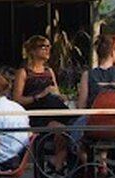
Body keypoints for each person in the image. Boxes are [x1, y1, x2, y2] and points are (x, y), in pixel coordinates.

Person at [13, 34, 71, 169]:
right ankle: (57, 163)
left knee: (69, 129)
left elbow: (56, 92)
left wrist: (61, 96)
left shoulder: (49, 71)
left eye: (49, 46)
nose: (47, 49)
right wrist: (39, 96)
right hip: (36, 115)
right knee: (61, 128)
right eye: (43, 47)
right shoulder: (23, 72)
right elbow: (17, 99)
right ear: (33, 50)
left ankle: (58, 160)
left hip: (53, 111)